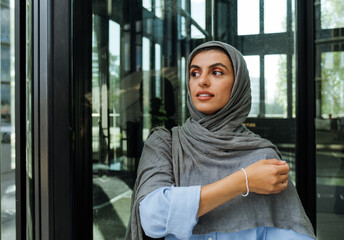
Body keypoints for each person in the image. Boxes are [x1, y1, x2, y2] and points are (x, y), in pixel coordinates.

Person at [125, 41, 316, 240]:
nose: (202, 81)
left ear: (238, 84)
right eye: (195, 73)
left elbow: (291, 233)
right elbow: (152, 217)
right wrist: (244, 180)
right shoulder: (166, 144)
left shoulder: (263, 156)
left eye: (216, 72)